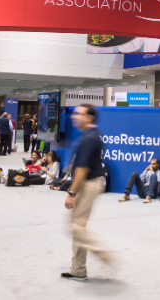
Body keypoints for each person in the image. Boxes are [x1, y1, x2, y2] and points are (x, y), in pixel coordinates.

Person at [62, 104, 113, 281]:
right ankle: (78, 270)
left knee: (76, 228)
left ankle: (104, 253)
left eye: (79, 114)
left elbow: (82, 169)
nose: (74, 116)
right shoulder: (89, 135)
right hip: (88, 184)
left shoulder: (90, 138)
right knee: (77, 227)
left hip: (88, 185)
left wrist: (72, 193)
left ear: (90, 117)